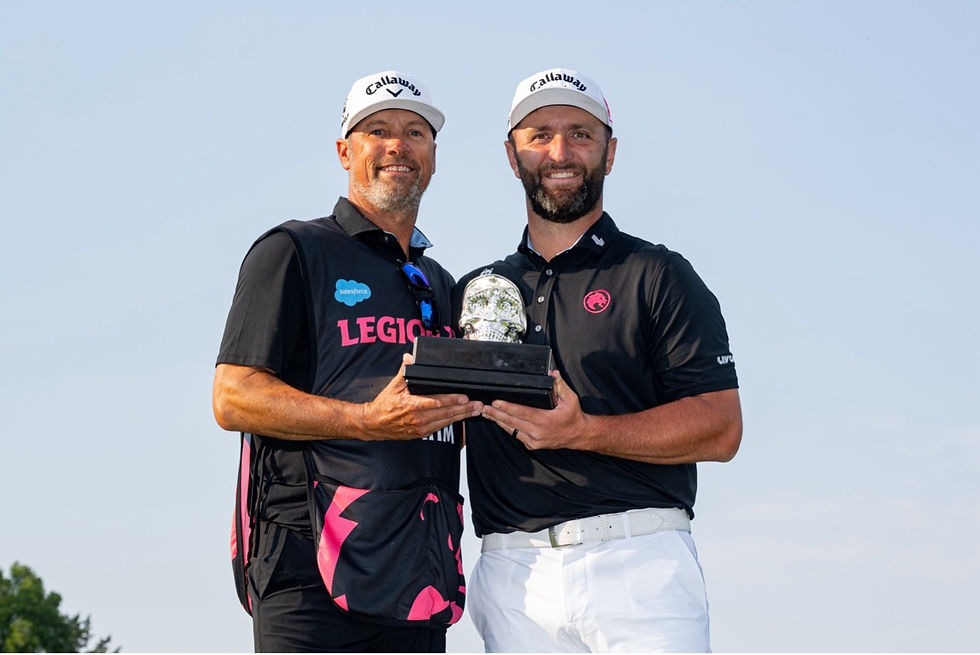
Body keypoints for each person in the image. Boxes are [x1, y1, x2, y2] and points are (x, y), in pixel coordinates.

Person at [452, 68, 743, 652]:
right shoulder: (474, 292)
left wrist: (583, 431)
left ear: (609, 153)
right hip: (514, 574)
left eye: (581, 134)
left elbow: (721, 427)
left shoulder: (657, 273)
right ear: (512, 156)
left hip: (639, 562)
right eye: (539, 134)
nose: (560, 151)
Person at [213, 70, 482, 653]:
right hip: (308, 566)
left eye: (416, 132)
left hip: (419, 568)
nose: (397, 145)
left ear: (433, 156)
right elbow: (233, 396)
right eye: (377, 130)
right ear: (345, 151)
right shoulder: (293, 250)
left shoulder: (441, 283)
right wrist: (365, 421)